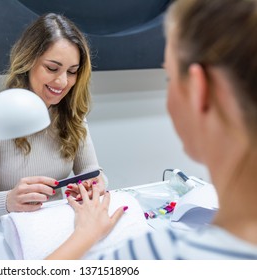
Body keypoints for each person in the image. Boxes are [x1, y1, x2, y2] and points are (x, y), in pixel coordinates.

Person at [46, 0, 257, 260]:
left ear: (200, 92)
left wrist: (86, 234)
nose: (61, 81)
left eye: (170, 77)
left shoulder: (156, 256)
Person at [0, 13, 107, 220]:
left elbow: (92, 171)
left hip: (58, 224)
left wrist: (96, 184)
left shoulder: (71, 114)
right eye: (52, 68)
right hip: (11, 229)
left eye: (72, 71)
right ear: (28, 61)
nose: (62, 82)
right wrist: (8, 201)